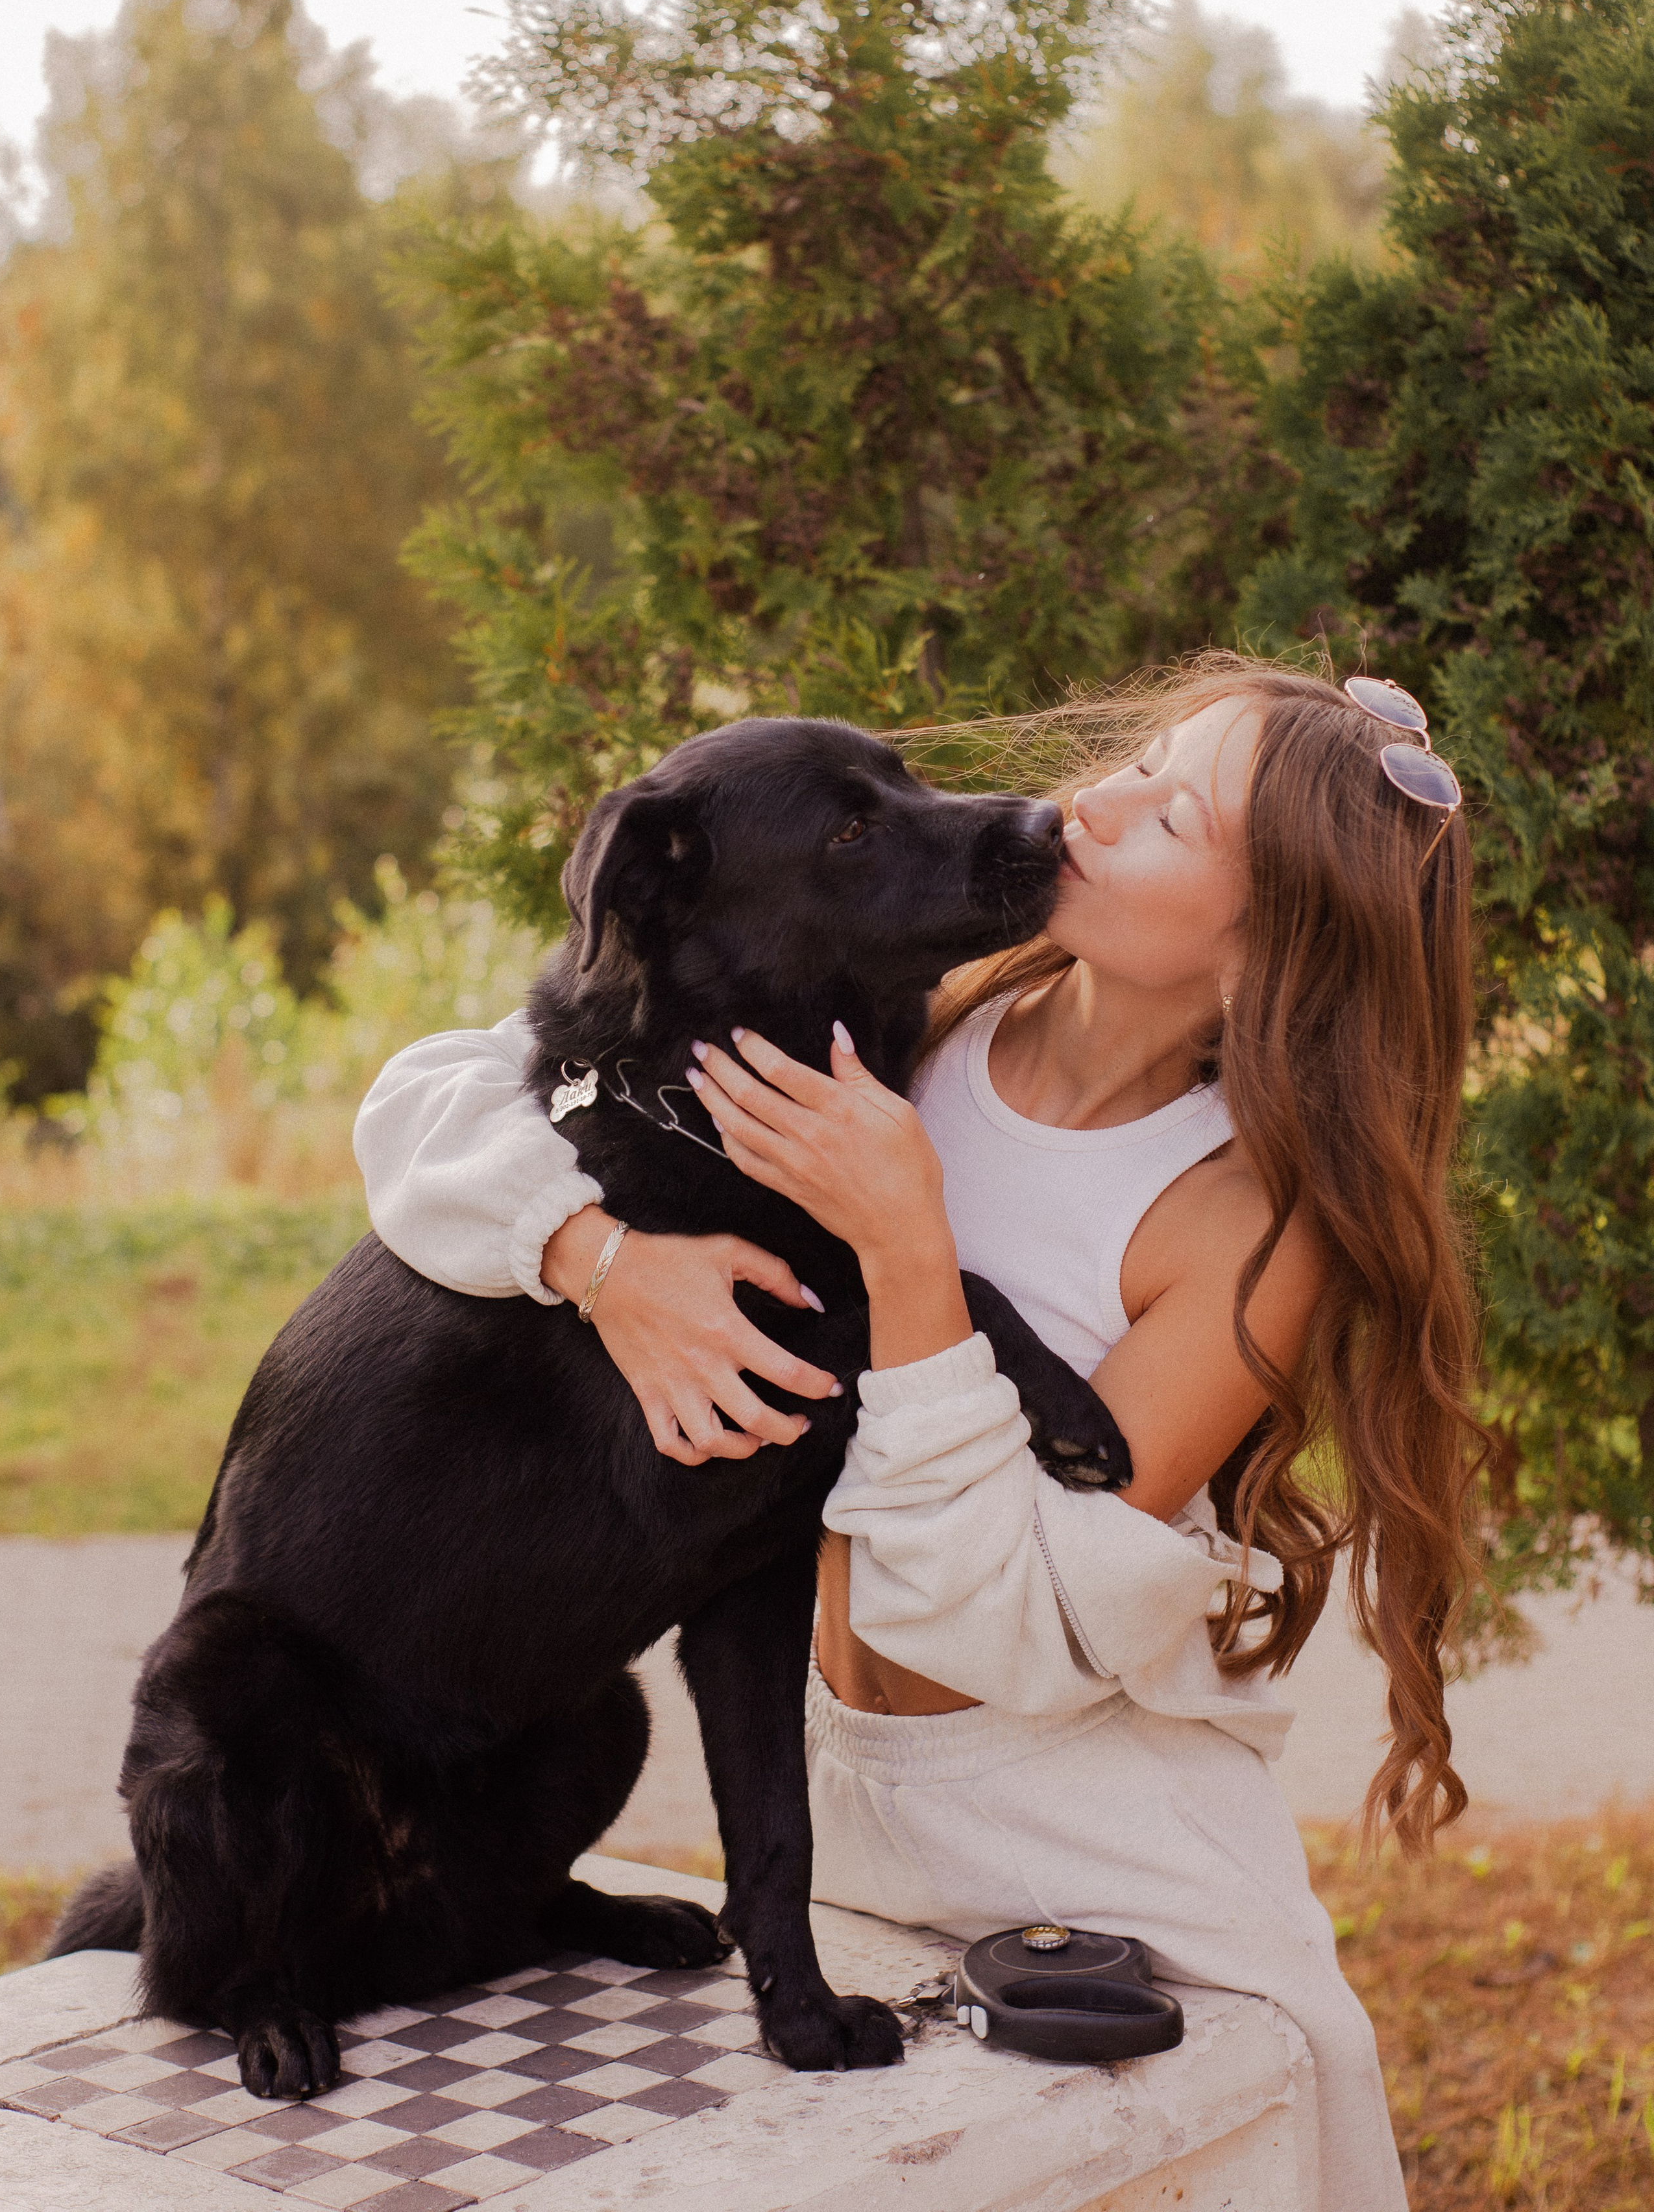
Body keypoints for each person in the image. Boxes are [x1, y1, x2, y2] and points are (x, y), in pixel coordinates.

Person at [354, 653, 1483, 2212]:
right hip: (849, 1832)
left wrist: (904, 1246)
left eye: (1173, 818)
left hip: (1111, 1885)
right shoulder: (912, 1007)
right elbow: (433, 1097)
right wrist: (593, 1257)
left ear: (1267, 945)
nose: (1093, 802)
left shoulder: (1240, 1219)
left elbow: (1007, 1623)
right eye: (1136, 760)